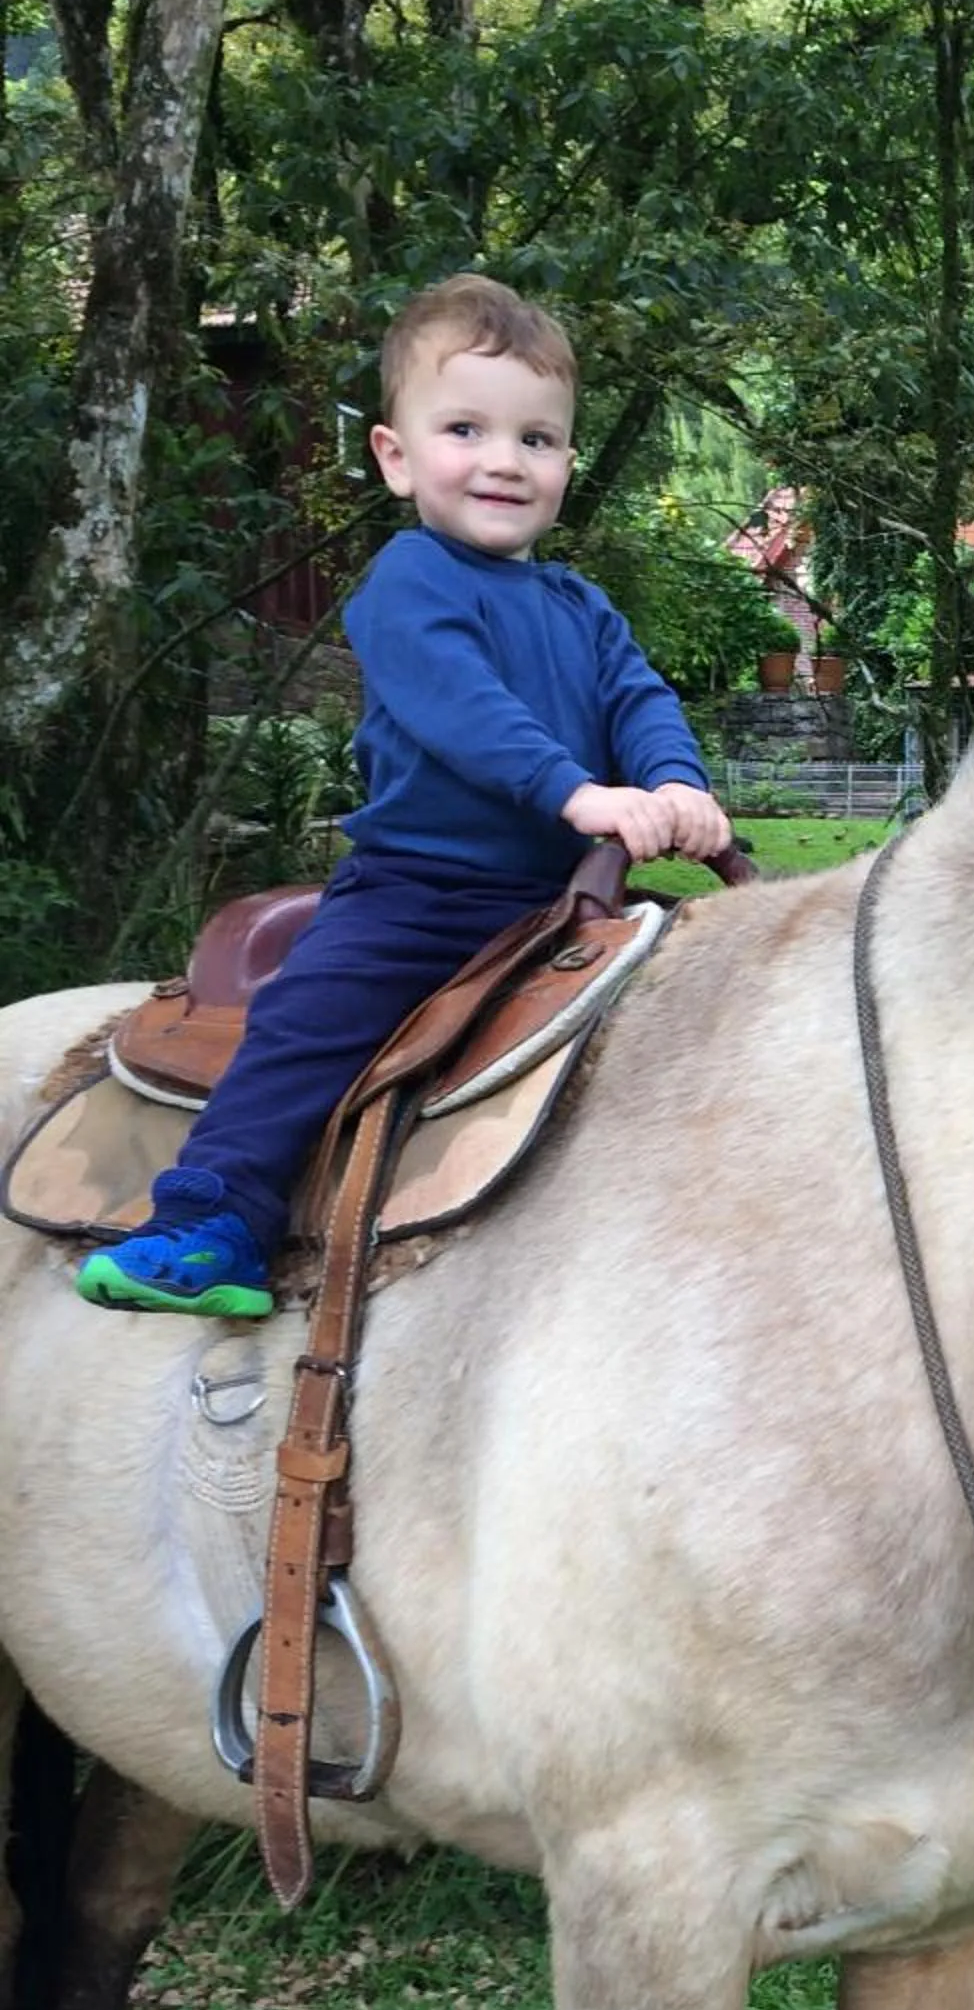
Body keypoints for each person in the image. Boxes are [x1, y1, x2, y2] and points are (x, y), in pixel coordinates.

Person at [80, 273, 736, 1318]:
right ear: (395, 455)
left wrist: (675, 783)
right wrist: (578, 796)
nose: (502, 461)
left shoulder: (584, 607)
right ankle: (214, 1215)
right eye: (466, 428)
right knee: (313, 1016)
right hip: (422, 896)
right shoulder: (409, 581)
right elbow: (461, 711)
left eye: (536, 439)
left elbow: (640, 698)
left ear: (567, 460)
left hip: (569, 905)